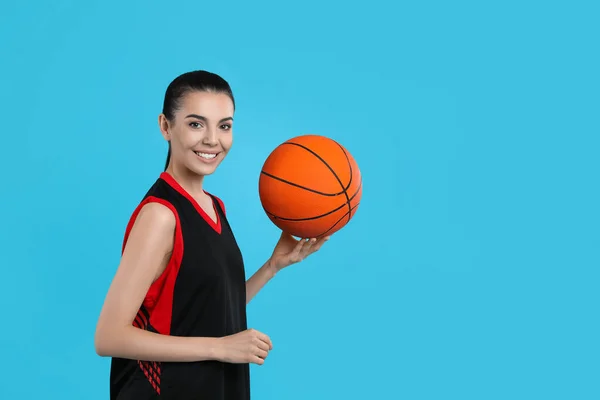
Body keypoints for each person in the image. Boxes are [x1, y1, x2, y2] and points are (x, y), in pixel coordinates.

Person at [94, 70, 330, 399]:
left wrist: (272, 267)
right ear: (165, 126)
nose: (212, 140)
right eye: (195, 124)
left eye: (224, 125)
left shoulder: (214, 206)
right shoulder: (161, 215)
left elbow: (207, 310)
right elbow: (109, 337)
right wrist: (221, 348)